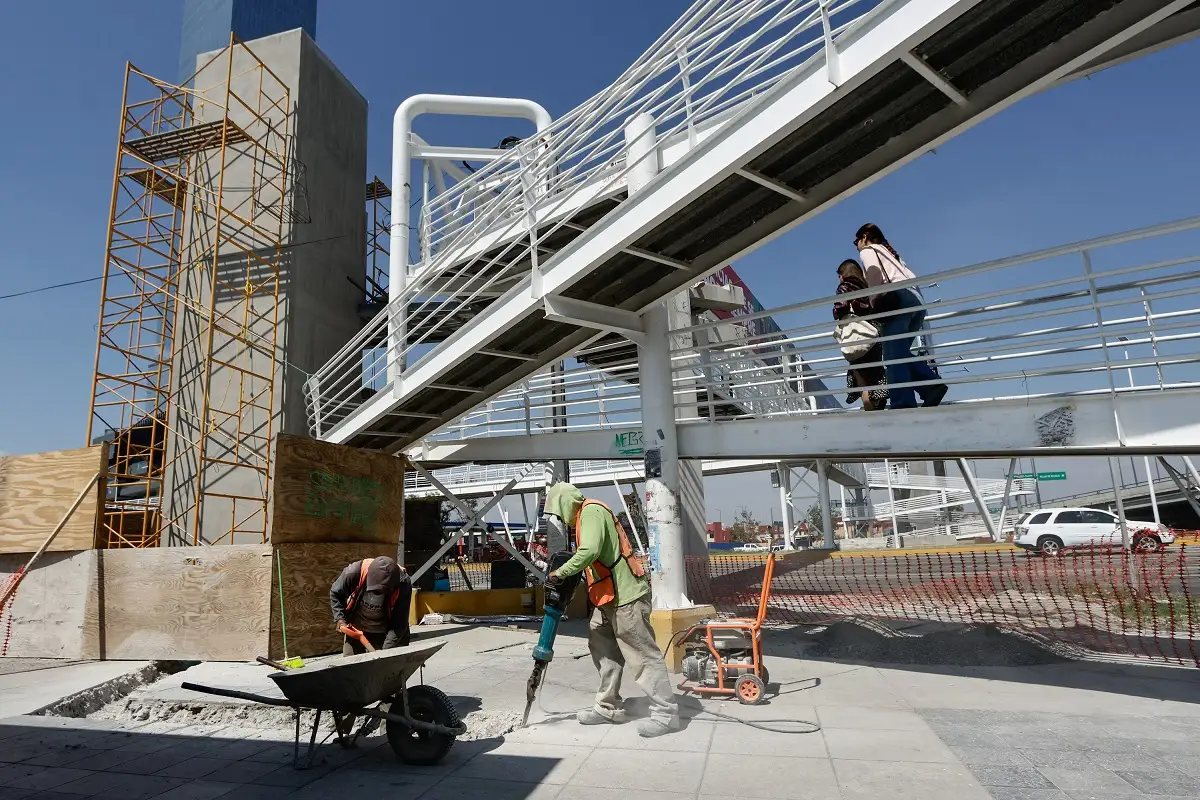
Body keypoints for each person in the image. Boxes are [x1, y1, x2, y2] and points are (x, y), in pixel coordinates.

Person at [543, 482, 680, 738]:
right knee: (602, 646)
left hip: (626, 597)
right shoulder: (585, 516)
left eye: (559, 512)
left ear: (564, 503)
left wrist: (560, 573)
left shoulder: (591, 511)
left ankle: (666, 713)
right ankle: (608, 707)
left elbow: (590, 550)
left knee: (641, 654)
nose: (561, 519)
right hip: (606, 598)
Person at [854, 223, 947, 409]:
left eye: (856, 240)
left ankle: (903, 403)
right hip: (916, 302)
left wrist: (874, 303)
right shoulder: (892, 254)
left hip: (898, 300)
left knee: (893, 357)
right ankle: (931, 387)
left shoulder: (869, 250)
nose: (856, 244)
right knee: (898, 353)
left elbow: (874, 274)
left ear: (865, 236)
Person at [833, 258, 888, 411]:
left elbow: (841, 306)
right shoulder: (866, 286)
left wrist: (836, 312)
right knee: (876, 375)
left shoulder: (844, 287)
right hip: (873, 334)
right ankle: (880, 407)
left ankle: (870, 414)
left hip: (857, 336)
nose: (839, 279)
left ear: (844, 273)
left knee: (861, 378)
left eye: (839, 275)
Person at [330, 556, 412, 655]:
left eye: (382, 592)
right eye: (375, 591)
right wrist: (340, 618)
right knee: (352, 666)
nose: (377, 594)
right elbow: (336, 593)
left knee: (388, 667)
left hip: (385, 631)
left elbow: (399, 624)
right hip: (357, 631)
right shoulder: (354, 572)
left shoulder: (403, 583)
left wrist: (385, 654)